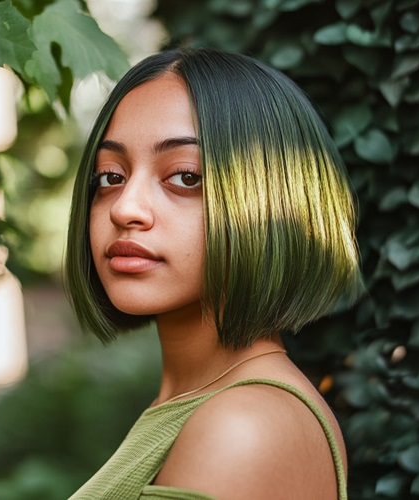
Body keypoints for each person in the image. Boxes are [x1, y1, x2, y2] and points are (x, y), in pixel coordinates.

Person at [65, 48, 363, 500]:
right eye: (110, 177)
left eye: (184, 177)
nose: (125, 208)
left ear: (273, 206)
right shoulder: (197, 406)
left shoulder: (242, 427)